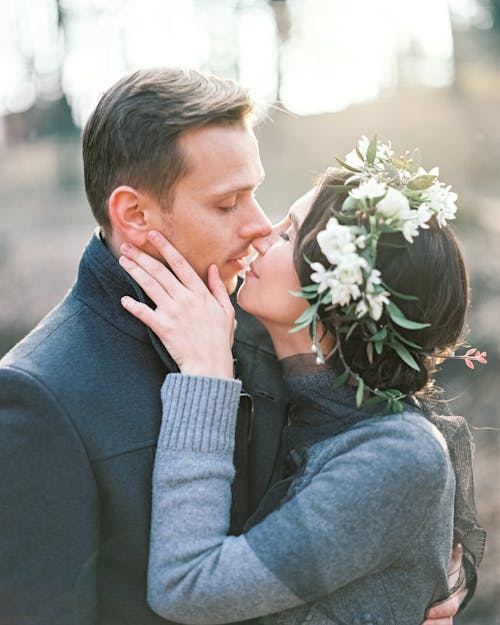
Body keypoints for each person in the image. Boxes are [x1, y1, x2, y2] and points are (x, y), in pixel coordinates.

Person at [0, 65, 471, 624]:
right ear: (134, 214)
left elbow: (389, 459)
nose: (259, 226)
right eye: (228, 204)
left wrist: (414, 585)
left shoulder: (273, 325)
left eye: (257, 194)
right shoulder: (39, 396)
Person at [118, 137, 486, 625]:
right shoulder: (279, 375)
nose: (260, 234)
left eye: (288, 234)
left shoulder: (395, 456)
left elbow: (188, 587)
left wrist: (205, 381)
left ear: (337, 295)